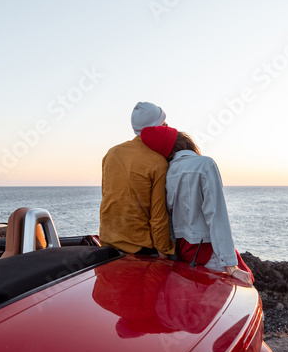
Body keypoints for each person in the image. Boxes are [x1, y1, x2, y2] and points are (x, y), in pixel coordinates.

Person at [140, 125, 253, 285]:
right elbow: (216, 215)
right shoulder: (204, 164)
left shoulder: (165, 172)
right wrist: (231, 266)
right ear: (186, 142)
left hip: (182, 252)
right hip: (207, 251)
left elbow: (165, 219)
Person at [99, 102, 174, 257]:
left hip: (107, 245)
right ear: (156, 128)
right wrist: (164, 256)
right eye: (164, 124)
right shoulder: (158, 162)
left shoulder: (111, 153)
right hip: (141, 250)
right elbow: (158, 217)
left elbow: (108, 196)